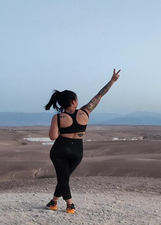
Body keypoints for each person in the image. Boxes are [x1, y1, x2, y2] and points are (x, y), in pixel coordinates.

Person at [44, 69, 121, 214]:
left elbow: (53, 137)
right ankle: (53, 202)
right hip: (77, 151)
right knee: (64, 178)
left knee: (63, 178)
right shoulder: (85, 111)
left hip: (60, 149)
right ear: (73, 101)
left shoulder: (58, 117)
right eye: (77, 99)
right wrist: (112, 81)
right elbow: (99, 96)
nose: (78, 101)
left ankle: (70, 205)